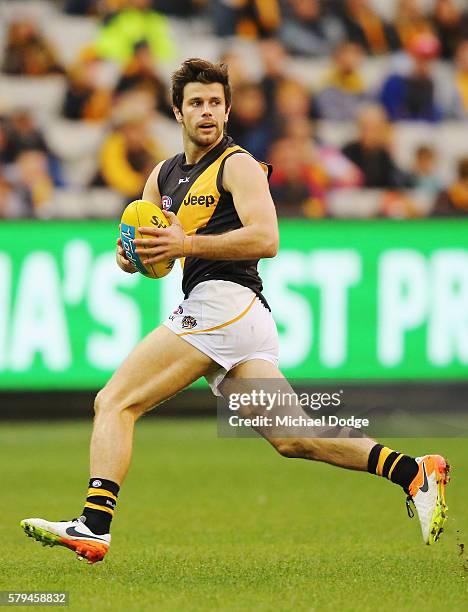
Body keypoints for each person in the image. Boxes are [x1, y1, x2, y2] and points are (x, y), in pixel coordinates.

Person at [21, 58, 450, 564]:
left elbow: (267, 238)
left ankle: (93, 525)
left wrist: (185, 244)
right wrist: (131, 256)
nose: (208, 112)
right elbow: (142, 252)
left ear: (226, 109)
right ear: (176, 111)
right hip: (235, 316)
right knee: (296, 437)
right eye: (197, 103)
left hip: (224, 303)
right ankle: (414, 472)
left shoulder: (238, 164)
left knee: (115, 402)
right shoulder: (163, 175)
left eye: (216, 103)